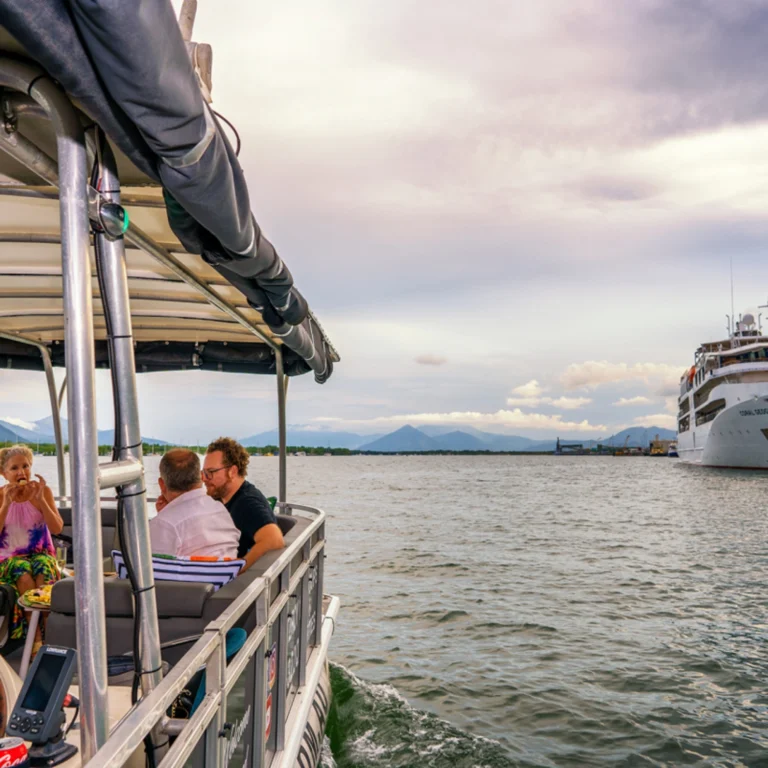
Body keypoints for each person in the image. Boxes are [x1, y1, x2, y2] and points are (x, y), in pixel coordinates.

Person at [0, 445, 63, 642]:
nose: (21, 472)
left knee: (43, 569)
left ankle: (49, 635)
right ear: (4, 473)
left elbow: (57, 529)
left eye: (26, 466)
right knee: (23, 571)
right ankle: (35, 639)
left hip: (41, 553)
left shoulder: (43, 492)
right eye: (15, 468)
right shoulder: (1, 495)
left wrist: (41, 501)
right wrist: (6, 504)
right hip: (9, 558)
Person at [203, 438, 284, 572]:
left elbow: (274, 540)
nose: (204, 479)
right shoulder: (223, 499)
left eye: (210, 472)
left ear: (232, 472)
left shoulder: (247, 503)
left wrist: (236, 569)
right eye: (203, 473)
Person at [151, 449, 240, 559]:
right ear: (202, 476)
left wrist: (164, 517)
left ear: (162, 484)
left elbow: (154, 569)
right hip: (229, 574)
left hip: (191, 576)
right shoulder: (219, 509)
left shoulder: (164, 524)